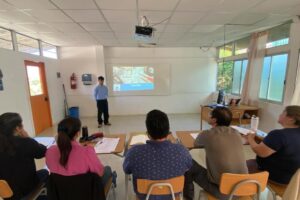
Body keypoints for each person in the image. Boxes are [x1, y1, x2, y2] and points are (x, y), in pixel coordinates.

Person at [123, 109, 192, 200]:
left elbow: (126, 170)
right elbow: (189, 166)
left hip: (145, 197)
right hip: (172, 196)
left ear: (148, 133)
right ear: (168, 131)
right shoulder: (182, 151)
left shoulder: (134, 152)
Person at [183, 107, 248, 200]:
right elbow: (243, 141)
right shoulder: (236, 133)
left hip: (223, 192)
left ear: (214, 120)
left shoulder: (207, 134)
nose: (209, 116)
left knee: (188, 163)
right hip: (244, 187)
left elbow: (196, 143)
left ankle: (188, 198)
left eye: (211, 115)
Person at [46, 117, 114, 186]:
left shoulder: (50, 151)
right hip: (86, 194)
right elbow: (100, 173)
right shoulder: (86, 152)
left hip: (60, 193)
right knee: (107, 169)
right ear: (78, 133)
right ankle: (113, 177)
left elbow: (51, 167)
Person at [246, 105, 300, 184]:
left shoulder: (278, 134)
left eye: (283, 113)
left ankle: (245, 191)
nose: (280, 114)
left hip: (274, 175)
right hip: (294, 177)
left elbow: (260, 152)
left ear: (291, 119)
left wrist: (250, 138)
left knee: (238, 166)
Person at [0, 113, 48, 200]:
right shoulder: (25, 142)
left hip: (7, 195)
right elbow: (43, 151)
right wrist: (28, 138)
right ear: (17, 128)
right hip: (26, 190)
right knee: (44, 172)